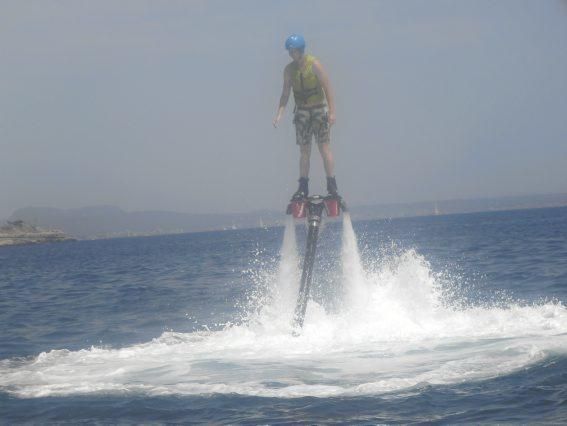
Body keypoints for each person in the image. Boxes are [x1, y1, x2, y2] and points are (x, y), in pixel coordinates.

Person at [273, 34, 340, 200]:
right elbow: (285, 93)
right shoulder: (289, 70)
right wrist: (279, 113)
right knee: (304, 151)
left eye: (293, 51)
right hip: (302, 112)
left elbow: (327, 87)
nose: (291, 54)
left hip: (318, 110)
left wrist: (332, 112)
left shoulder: (314, 64)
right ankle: (303, 186)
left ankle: (331, 184)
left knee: (324, 147)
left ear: (300, 50)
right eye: (289, 51)